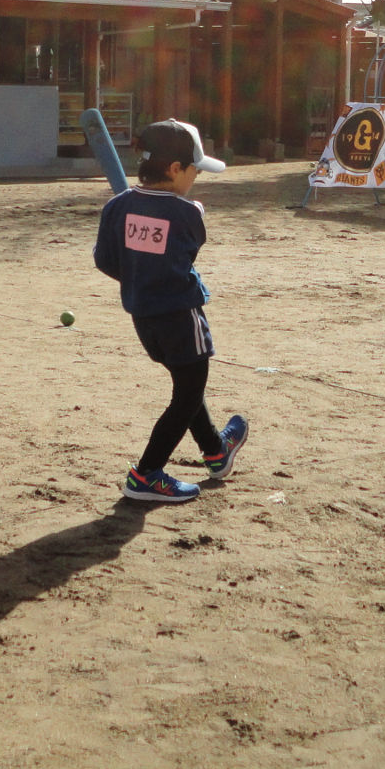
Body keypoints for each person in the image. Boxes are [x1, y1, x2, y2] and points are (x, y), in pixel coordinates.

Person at [93, 119, 248, 504]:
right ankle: (146, 474)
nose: (197, 177)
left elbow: (105, 260)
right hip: (180, 314)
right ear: (175, 168)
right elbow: (187, 253)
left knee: (186, 383)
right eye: (195, 170)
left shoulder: (117, 206)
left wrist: (137, 276)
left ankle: (216, 451)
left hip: (143, 314)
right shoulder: (187, 213)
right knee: (189, 391)